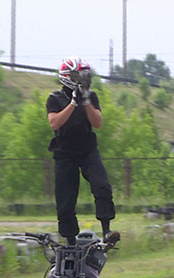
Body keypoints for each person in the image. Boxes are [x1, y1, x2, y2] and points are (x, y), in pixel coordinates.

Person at [46, 56, 120, 246]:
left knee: (102, 186)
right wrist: (72, 103)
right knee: (65, 200)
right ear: (67, 76)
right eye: (79, 75)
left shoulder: (91, 96)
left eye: (85, 75)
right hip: (64, 153)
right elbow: (55, 122)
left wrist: (85, 100)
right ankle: (70, 241)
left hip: (87, 150)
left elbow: (98, 123)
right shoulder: (54, 98)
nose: (84, 78)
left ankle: (106, 230)